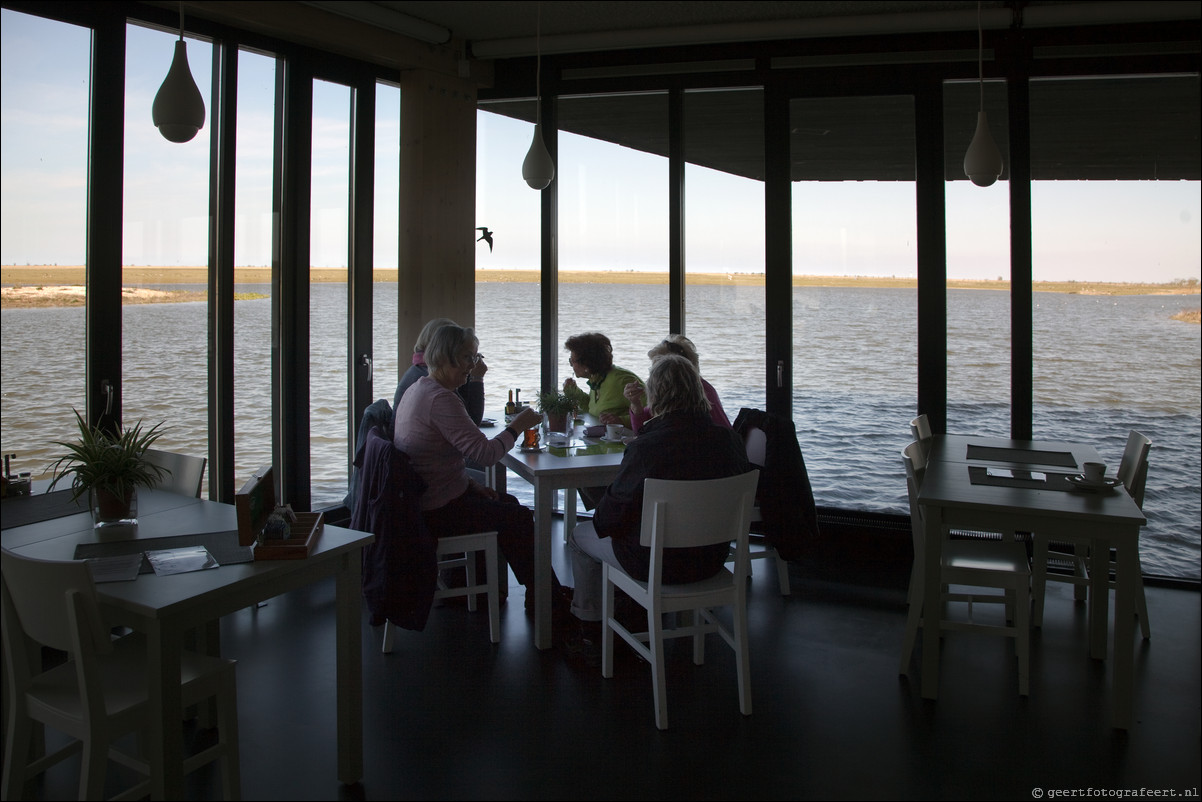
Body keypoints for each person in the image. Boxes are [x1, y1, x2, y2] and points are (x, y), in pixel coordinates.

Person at [565, 354, 751, 660]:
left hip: (652, 564)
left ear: (657, 395)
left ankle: (590, 630)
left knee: (579, 537)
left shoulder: (647, 447)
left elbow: (607, 520)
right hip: (711, 560)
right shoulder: (729, 441)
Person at [393, 324, 570, 615]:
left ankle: (541, 593)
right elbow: (486, 455)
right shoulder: (441, 400)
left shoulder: (420, 388)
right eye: (467, 358)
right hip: (434, 512)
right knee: (519, 518)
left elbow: (439, 460)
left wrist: (469, 485)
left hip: (422, 502)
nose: (473, 367)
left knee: (510, 505)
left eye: (474, 358)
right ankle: (547, 601)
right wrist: (517, 426)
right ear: (447, 357)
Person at [623, 334, 731, 434]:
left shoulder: (701, 391)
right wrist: (636, 404)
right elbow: (643, 429)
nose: (654, 376)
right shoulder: (672, 390)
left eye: (659, 370)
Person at [394, 317, 487, 424]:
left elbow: (463, 409)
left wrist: (467, 371)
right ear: (440, 344)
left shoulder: (418, 370)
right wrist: (477, 378)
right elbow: (472, 420)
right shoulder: (431, 377)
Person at [562, 332, 642, 428]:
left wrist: (621, 420)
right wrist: (573, 391)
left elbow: (654, 414)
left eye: (572, 361)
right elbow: (592, 409)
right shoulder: (597, 378)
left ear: (586, 363)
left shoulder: (622, 380)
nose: (571, 365)